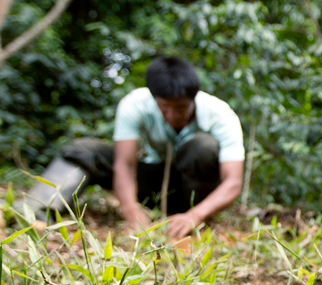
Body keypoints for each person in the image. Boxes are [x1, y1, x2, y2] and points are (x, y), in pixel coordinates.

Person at [21, 56, 244, 238]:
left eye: (181, 107)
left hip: (195, 192)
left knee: (203, 146)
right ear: (154, 97)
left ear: (194, 98)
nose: (173, 115)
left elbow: (233, 181)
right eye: (165, 107)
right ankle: (36, 211)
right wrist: (130, 210)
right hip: (153, 182)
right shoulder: (135, 104)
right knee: (85, 149)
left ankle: (185, 215)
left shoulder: (220, 114)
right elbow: (124, 164)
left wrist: (196, 215)